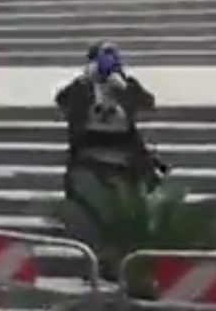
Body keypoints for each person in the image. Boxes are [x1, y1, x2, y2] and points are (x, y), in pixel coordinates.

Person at [55, 42, 161, 245]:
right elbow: (62, 100)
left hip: (123, 156)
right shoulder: (82, 87)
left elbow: (147, 102)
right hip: (89, 155)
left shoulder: (125, 84)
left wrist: (124, 87)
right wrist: (82, 81)